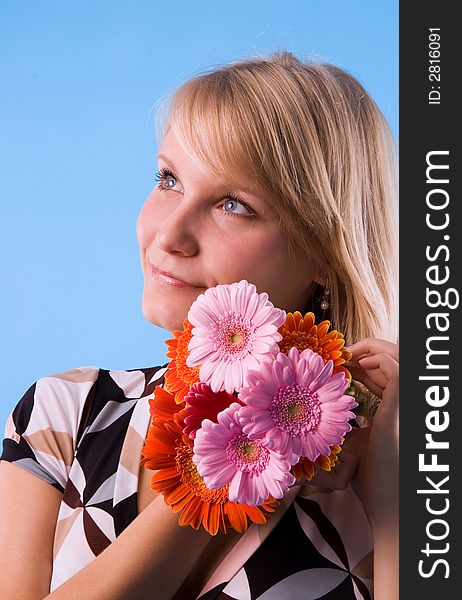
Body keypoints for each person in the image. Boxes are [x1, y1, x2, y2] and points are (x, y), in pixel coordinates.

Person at [0, 50, 398, 599]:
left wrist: (401, 513)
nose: (168, 236)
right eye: (169, 179)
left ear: (327, 254)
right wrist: (228, 458)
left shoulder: (392, 465)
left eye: (233, 205)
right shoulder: (62, 415)